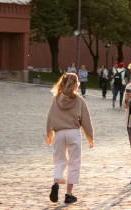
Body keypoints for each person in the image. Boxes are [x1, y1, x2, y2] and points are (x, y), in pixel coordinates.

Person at [46, 72, 94, 205]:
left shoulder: (56, 99)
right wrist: (90, 137)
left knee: (60, 161)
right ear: (75, 86)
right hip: (73, 133)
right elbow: (86, 121)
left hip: (59, 133)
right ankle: (68, 194)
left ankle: (56, 182)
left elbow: (50, 117)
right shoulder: (79, 101)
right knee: (74, 163)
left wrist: (49, 134)